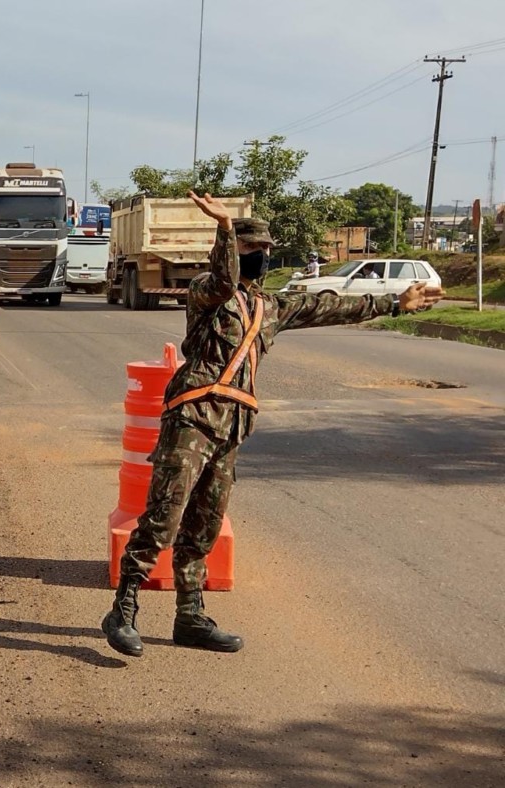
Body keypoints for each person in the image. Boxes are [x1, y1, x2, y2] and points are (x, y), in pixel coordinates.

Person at [101, 191, 444, 658]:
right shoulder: (208, 292)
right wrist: (224, 229)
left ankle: (191, 616)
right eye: (250, 251)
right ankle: (124, 609)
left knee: (204, 525)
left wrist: (394, 303)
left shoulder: (270, 307)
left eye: (264, 251)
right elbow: (223, 279)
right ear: (232, 253)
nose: (260, 258)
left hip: (231, 428)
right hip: (193, 418)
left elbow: (328, 306)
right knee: (164, 518)